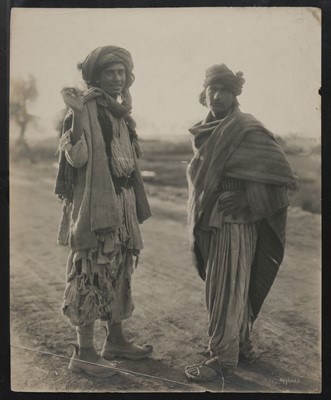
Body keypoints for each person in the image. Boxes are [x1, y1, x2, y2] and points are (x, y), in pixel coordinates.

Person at [184, 64, 298, 382]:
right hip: (211, 218)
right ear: (203, 91)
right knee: (222, 287)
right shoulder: (204, 129)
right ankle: (239, 343)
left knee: (230, 286)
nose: (218, 96)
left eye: (227, 90)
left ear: (236, 95)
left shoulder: (247, 127)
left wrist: (249, 198)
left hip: (236, 221)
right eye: (213, 89)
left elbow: (281, 173)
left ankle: (222, 358)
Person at [54, 46, 153, 378]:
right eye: (110, 72)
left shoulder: (120, 113)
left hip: (122, 200)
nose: (117, 78)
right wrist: (78, 113)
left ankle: (116, 341)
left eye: (121, 72)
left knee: (119, 266)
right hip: (97, 203)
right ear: (96, 77)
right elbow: (77, 158)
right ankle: (83, 353)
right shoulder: (84, 109)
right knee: (90, 272)